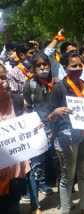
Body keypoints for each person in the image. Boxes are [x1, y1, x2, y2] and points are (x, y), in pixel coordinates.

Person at [48, 52, 84, 214]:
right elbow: (49, 117)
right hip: (66, 137)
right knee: (67, 177)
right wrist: (56, 111)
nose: (78, 68)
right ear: (65, 67)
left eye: (79, 65)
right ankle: (65, 211)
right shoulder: (58, 87)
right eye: (73, 66)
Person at [23, 53, 54, 208]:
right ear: (34, 68)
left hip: (57, 129)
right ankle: (35, 205)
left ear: (50, 64)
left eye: (45, 64)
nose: (43, 68)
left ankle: (64, 200)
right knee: (36, 167)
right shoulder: (30, 85)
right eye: (38, 66)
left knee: (56, 162)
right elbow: (27, 109)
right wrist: (35, 124)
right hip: (39, 131)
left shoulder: (58, 83)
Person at [0, 63, 32, 214]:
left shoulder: (18, 102)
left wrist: (35, 130)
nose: (1, 81)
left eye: (2, 77)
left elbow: (26, 129)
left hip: (15, 171)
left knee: (13, 208)